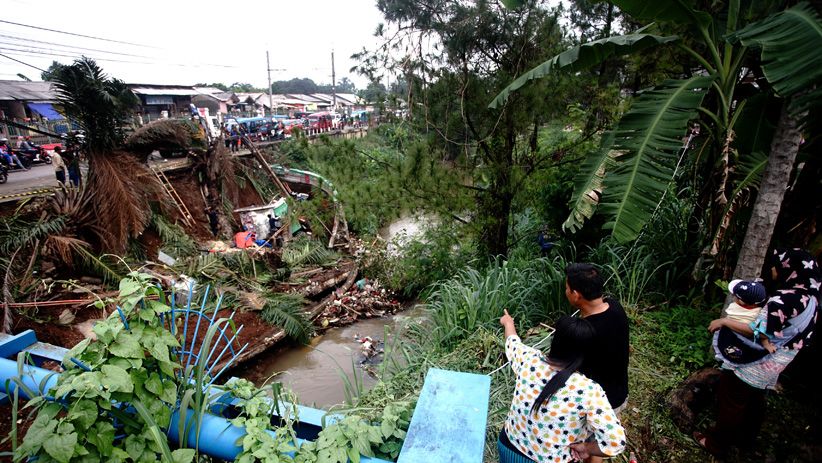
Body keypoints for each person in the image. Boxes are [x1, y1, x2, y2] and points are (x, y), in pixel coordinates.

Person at [697, 249, 820, 457]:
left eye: (776, 266)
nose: (772, 270)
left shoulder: (786, 299)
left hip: (759, 359)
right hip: (780, 360)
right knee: (754, 400)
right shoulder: (812, 300)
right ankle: (745, 444)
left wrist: (725, 321)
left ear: (789, 268)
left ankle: (716, 444)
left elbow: (760, 331)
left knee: (732, 397)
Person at [499, 311, 626, 463]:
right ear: (587, 352)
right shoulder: (588, 391)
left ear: (554, 341)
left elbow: (512, 342)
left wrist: (508, 323)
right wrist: (586, 448)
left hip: (509, 447)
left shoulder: (529, 360)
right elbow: (616, 442)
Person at [564, 264, 630, 411]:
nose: (566, 292)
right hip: (619, 394)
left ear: (576, 295)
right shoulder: (615, 306)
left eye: (567, 288)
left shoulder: (582, 331)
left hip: (597, 406)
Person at [723, 279, 774, 352]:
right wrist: (766, 344)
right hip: (746, 342)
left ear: (740, 301)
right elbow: (761, 333)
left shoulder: (733, 307)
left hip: (729, 337)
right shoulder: (759, 313)